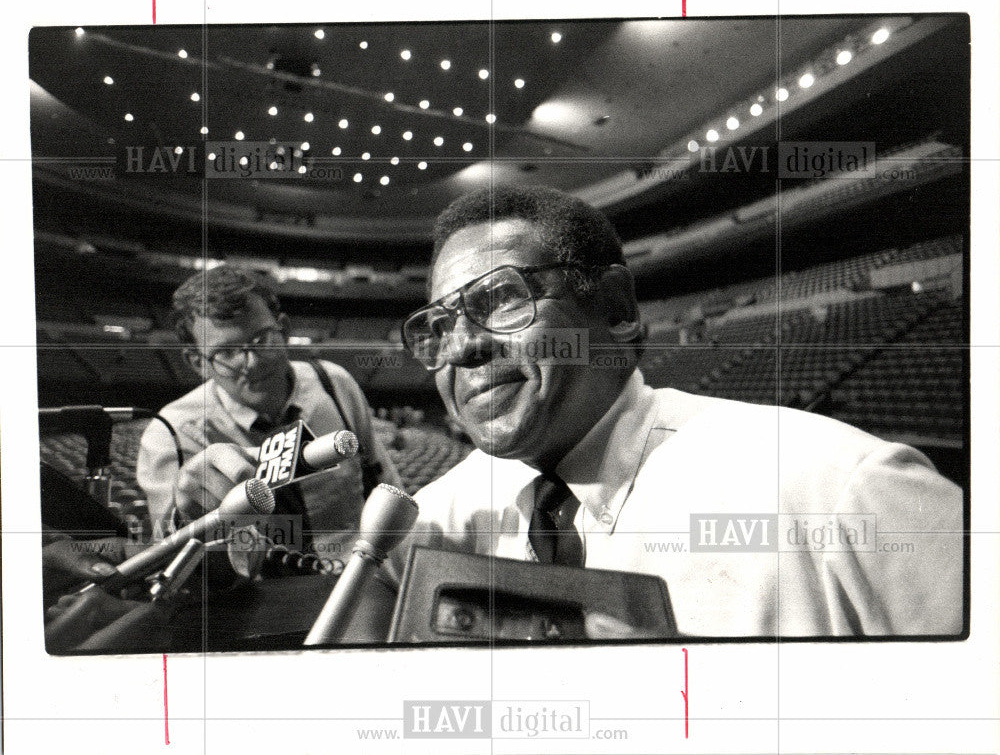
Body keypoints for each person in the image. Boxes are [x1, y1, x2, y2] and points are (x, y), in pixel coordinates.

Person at [178, 186, 964, 639]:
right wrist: (220, 544)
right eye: (439, 325)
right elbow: (353, 648)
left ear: (616, 308)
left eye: (498, 301)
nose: (462, 348)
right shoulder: (443, 511)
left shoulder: (845, 492)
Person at [136, 265, 401, 554]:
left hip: (363, 570)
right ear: (197, 362)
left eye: (261, 339)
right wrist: (187, 517)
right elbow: (169, 553)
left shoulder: (334, 382)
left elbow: (385, 482)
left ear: (284, 330)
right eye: (226, 352)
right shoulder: (170, 433)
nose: (252, 363)